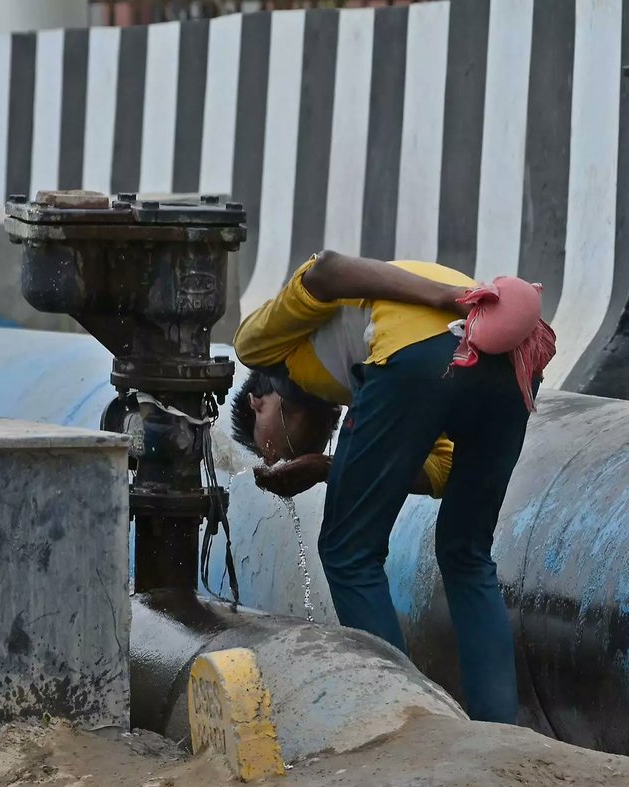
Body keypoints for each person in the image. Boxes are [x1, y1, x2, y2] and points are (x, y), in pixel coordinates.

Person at [229, 250, 553, 724]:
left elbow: (328, 270)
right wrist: (324, 467)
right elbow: (441, 470)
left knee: (347, 551)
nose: (275, 457)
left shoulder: (257, 348)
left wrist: (449, 298)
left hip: (430, 344)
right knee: (466, 554)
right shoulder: (357, 376)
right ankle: (499, 730)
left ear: (260, 403)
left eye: (267, 446)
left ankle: (402, 721)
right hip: (507, 364)